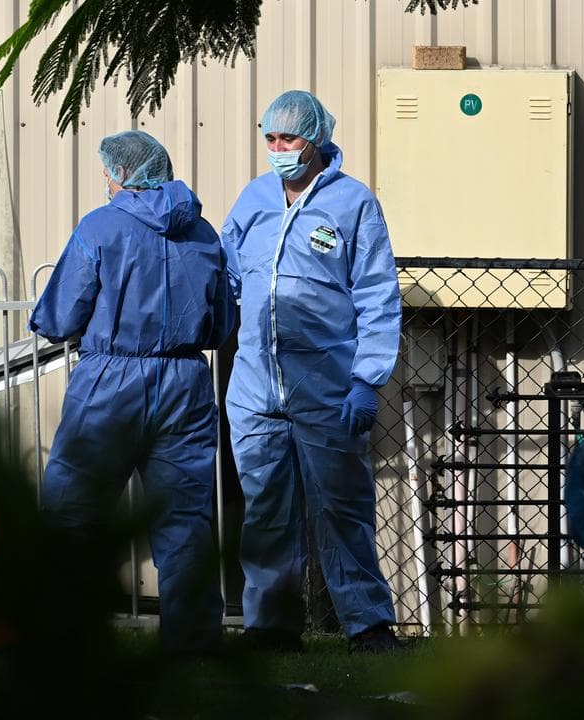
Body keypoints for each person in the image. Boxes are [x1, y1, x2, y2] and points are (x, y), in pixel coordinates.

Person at [29, 130, 236, 655]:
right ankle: (193, 647)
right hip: (186, 382)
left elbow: (59, 316)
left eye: (107, 171)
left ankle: (63, 635)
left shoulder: (100, 227)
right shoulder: (204, 234)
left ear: (121, 174)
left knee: (73, 509)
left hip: (110, 382)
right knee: (185, 518)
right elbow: (221, 324)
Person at [221, 90, 403, 653]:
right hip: (255, 385)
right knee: (267, 512)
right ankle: (272, 628)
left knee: (342, 508)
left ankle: (368, 626)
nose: (278, 150)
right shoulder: (254, 198)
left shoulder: (353, 204)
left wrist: (367, 378)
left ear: (317, 139)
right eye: (270, 139)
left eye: (289, 139)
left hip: (327, 385)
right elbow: (227, 275)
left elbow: (376, 294)